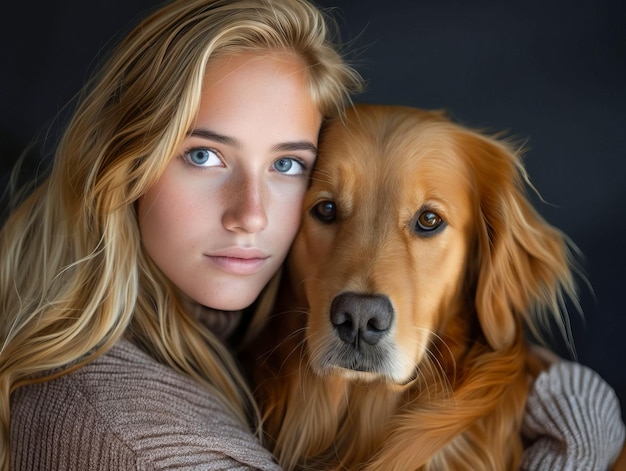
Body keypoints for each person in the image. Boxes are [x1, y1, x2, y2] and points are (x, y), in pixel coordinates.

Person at [0, 0, 623, 470]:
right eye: (204, 156)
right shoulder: (133, 436)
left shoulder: (224, 333)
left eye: (287, 166)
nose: (251, 214)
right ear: (123, 164)